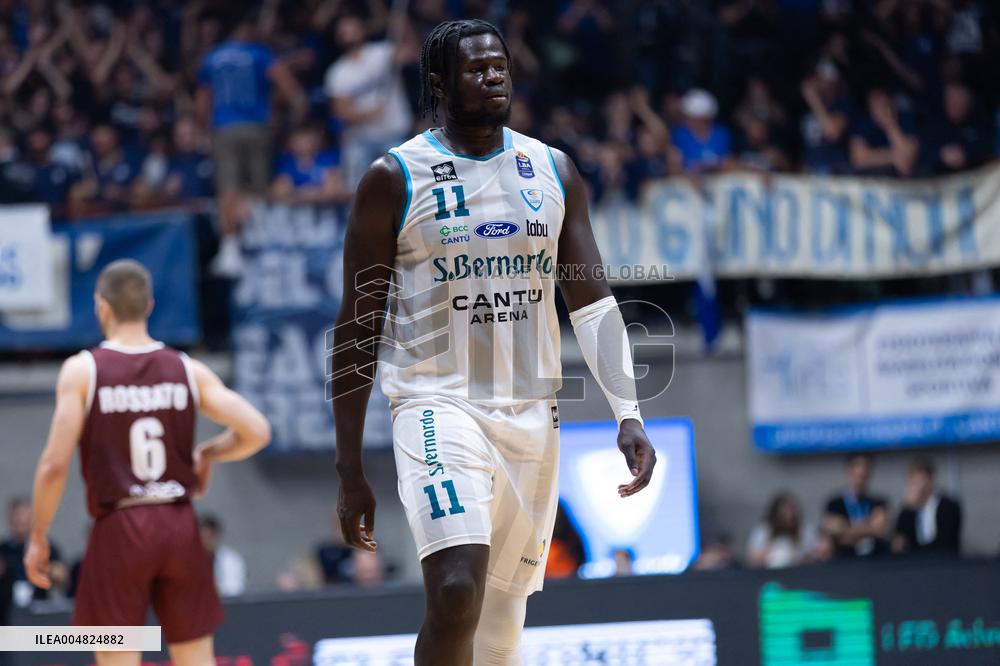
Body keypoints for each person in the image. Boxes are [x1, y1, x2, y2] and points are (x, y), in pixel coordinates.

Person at [330, 20, 656, 666]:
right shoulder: (392, 178)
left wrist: (629, 413)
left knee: (501, 628)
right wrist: (349, 468)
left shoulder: (553, 169)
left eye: (500, 65)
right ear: (437, 83)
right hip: (435, 404)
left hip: (533, 416)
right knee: (454, 591)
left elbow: (592, 304)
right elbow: (356, 328)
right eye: (476, 68)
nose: (493, 75)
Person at [23, 259, 271, 666]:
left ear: (101, 305)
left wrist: (38, 535)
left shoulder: (83, 370)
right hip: (178, 522)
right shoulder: (187, 369)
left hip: (120, 526)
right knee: (196, 659)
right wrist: (208, 453)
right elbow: (257, 430)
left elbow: (53, 465)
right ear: (149, 306)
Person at [196, 12, 307, 276]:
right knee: (258, 186)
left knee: (229, 187)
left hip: (224, 127)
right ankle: (258, 243)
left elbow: (203, 100)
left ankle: (231, 248)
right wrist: (282, 108)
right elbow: (287, 85)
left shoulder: (212, 57)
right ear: (244, 27)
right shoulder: (259, 53)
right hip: (257, 126)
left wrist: (206, 129)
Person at [324, 13, 413, 190]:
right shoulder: (337, 72)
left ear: (362, 30)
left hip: (393, 134)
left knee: (403, 190)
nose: (349, 33)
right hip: (361, 139)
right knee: (358, 191)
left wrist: (403, 25)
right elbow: (340, 112)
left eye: (352, 28)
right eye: (344, 30)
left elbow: (411, 51)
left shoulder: (383, 53)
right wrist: (367, 114)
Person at [1, 498, 68, 609]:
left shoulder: (46, 548)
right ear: (10, 520)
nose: (20, 522)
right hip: (6, 612)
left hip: (38, 609)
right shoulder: (3, 549)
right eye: (17, 519)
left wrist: (51, 571)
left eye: (25, 519)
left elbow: (62, 580)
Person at [822, 453, 890, 559]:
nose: (862, 471)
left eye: (866, 466)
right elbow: (835, 532)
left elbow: (879, 530)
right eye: (857, 466)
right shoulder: (834, 504)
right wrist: (869, 528)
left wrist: (847, 530)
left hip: (876, 561)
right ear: (848, 470)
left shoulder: (879, 502)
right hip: (844, 562)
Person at [892, 457, 962, 556]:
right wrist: (907, 508)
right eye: (912, 478)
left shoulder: (949, 507)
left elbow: (946, 545)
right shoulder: (908, 510)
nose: (915, 484)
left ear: (931, 478)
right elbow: (899, 544)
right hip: (913, 567)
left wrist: (914, 551)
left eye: (920, 478)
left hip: (944, 565)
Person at [746, 492, 816, 569]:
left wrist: (799, 554)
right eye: (784, 514)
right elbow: (752, 561)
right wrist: (770, 549)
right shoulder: (763, 531)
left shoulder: (805, 530)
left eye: (792, 514)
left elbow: (813, 556)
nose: (788, 518)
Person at [199, 514, 247, 597]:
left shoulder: (232, 560)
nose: (205, 542)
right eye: (202, 538)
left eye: (209, 537)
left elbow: (235, 589)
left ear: (217, 536)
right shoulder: (185, 560)